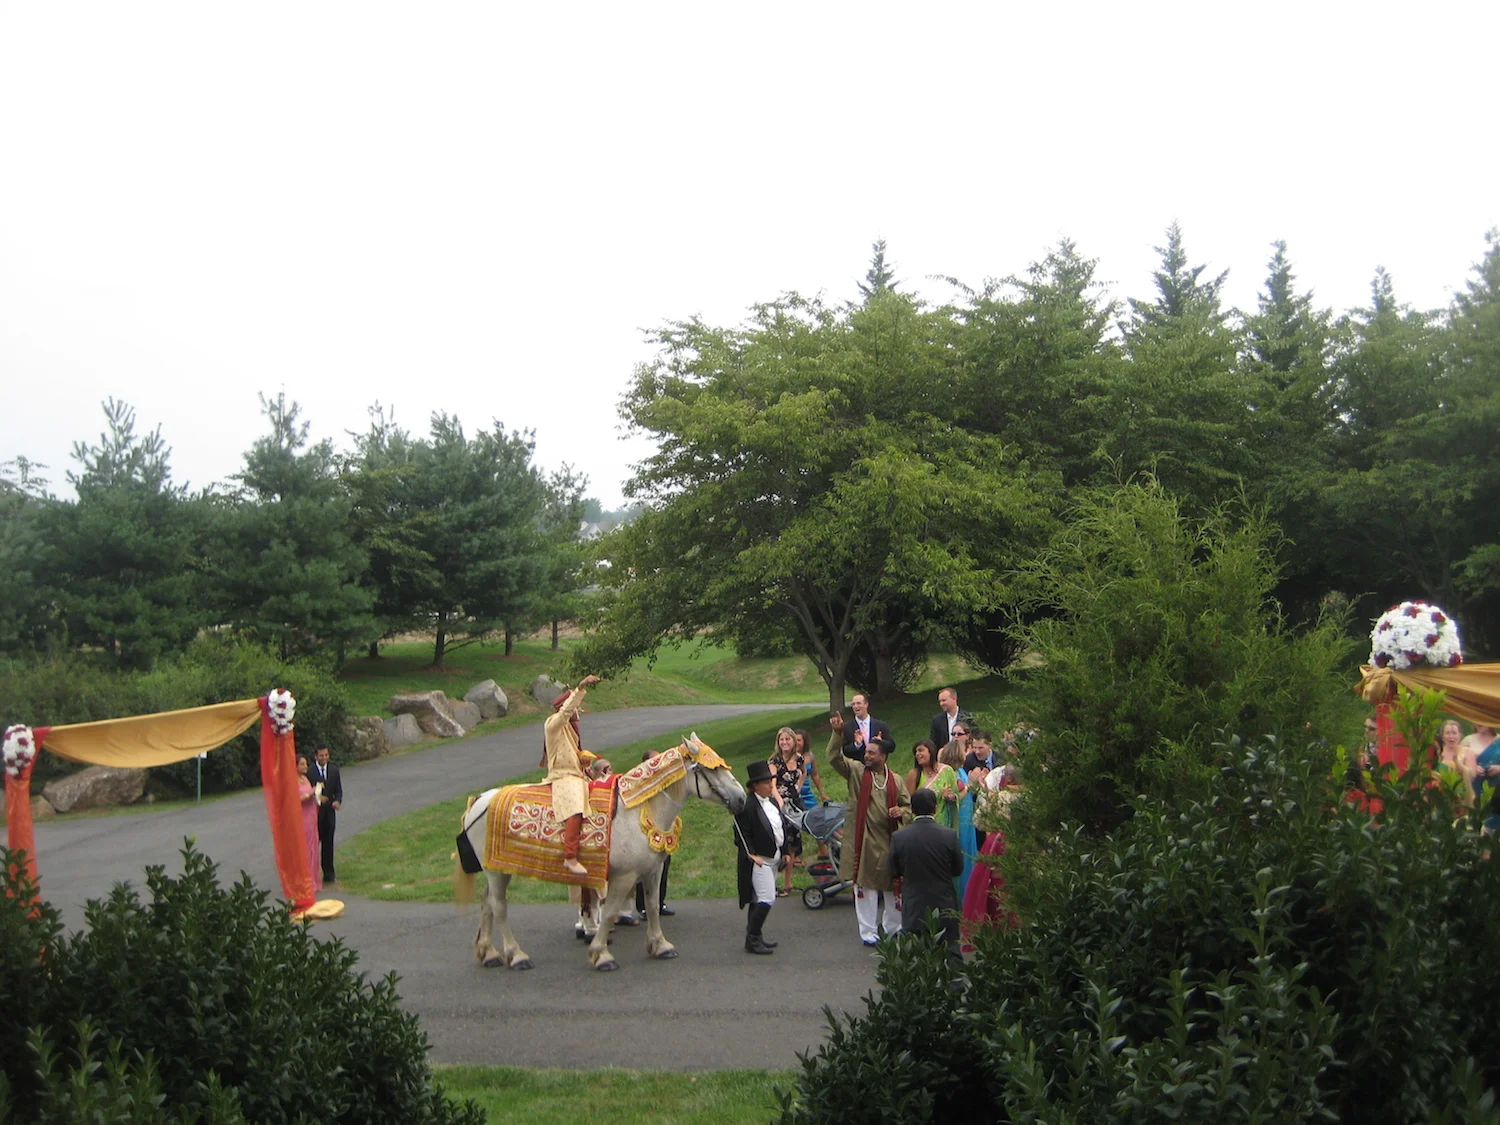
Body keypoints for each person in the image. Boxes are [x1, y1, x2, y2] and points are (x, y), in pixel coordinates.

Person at [827, 711, 911, 945]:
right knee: (866, 889)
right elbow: (834, 758)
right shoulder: (856, 772)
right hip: (863, 842)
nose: (867, 755)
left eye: (872, 753)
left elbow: (908, 807)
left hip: (889, 841)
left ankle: (893, 928)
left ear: (883, 757)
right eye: (866, 752)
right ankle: (868, 933)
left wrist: (901, 812)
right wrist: (837, 733)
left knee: (893, 887)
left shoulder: (895, 779)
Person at [888, 788, 964, 957]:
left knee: (916, 957)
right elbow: (957, 869)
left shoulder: (899, 837)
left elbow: (893, 871)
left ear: (912, 809)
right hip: (944, 904)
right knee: (951, 951)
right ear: (935, 808)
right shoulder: (949, 835)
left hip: (914, 906)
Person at [544, 674, 602, 876]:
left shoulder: (570, 729)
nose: (580, 712)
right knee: (576, 807)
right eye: (576, 708)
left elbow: (570, 754)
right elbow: (567, 711)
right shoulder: (554, 723)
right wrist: (580, 688)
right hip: (562, 776)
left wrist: (584, 765)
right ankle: (570, 857)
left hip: (576, 774)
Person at [733, 759, 783, 954]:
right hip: (759, 860)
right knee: (766, 898)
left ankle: (756, 936)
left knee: (758, 899)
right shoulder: (748, 806)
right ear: (755, 786)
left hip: (774, 857)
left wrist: (785, 852)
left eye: (771, 781)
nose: (771, 785)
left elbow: (780, 827)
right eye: (766, 782)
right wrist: (751, 855)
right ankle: (752, 938)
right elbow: (741, 834)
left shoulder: (771, 803)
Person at [634, 748, 675, 918]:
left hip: (662, 829)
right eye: (655, 760)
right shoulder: (641, 781)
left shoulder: (664, 781)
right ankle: (642, 906)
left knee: (663, 865)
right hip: (646, 828)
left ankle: (659, 902)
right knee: (644, 869)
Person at [770, 727, 805, 897]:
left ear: (793, 741)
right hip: (779, 805)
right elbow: (772, 784)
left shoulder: (799, 759)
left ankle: (788, 883)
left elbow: (804, 773)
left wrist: (798, 787)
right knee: (779, 843)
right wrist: (779, 801)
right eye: (781, 740)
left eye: (787, 739)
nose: (784, 742)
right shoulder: (775, 761)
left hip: (794, 803)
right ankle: (772, 884)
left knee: (792, 844)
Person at [905, 740, 959, 831]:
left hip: (943, 826)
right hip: (921, 827)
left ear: (931, 751)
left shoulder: (946, 771)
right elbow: (908, 802)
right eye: (916, 752)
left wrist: (949, 797)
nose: (918, 754)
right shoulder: (914, 774)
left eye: (921, 750)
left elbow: (956, 795)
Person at [311, 746, 342, 884]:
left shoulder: (334, 771)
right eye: (321, 755)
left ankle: (329, 873)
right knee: (313, 845)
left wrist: (337, 801)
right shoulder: (310, 772)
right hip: (315, 814)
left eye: (326, 755)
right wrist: (318, 800)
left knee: (328, 843)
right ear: (316, 756)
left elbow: (338, 790)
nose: (324, 758)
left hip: (329, 813)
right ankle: (311, 874)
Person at [295, 754, 322, 892]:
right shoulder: (293, 781)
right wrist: (307, 795)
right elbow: (293, 800)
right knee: (305, 847)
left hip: (311, 814)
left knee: (313, 846)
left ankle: (314, 878)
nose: (305, 766)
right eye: (302, 764)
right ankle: (304, 880)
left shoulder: (305, 778)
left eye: (306, 764)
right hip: (302, 816)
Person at [840, 693, 893, 762]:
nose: (856, 706)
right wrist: (857, 745)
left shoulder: (880, 725)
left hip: (877, 766)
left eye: (859, 703)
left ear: (866, 704)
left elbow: (891, 746)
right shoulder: (847, 727)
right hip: (857, 768)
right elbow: (845, 751)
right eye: (853, 704)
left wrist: (881, 742)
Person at [1470, 726, 1500, 834]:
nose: (1478, 723)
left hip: (1496, 790)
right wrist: (1473, 766)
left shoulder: (1499, 741)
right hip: (1475, 787)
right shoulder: (1468, 740)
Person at [928, 687, 974, 756]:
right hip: (945, 758)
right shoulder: (937, 720)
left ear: (954, 699)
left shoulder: (968, 717)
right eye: (940, 701)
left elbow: (974, 738)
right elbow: (933, 743)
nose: (941, 704)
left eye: (944, 700)